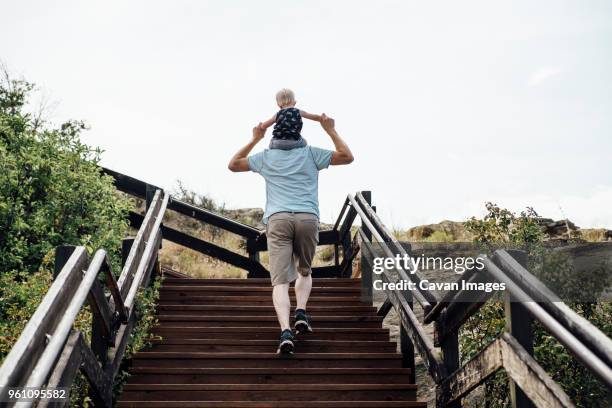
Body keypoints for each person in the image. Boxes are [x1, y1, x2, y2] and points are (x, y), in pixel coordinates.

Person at [228, 112, 354, 354]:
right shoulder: (311, 153)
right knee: (304, 271)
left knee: (280, 282)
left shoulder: (265, 157)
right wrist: (330, 129)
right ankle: (301, 312)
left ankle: (286, 330)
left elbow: (233, 164)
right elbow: (347, 157)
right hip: (307, 217)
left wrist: (255, 137)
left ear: (275, 132)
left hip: (278, 219)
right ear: (300, 130)